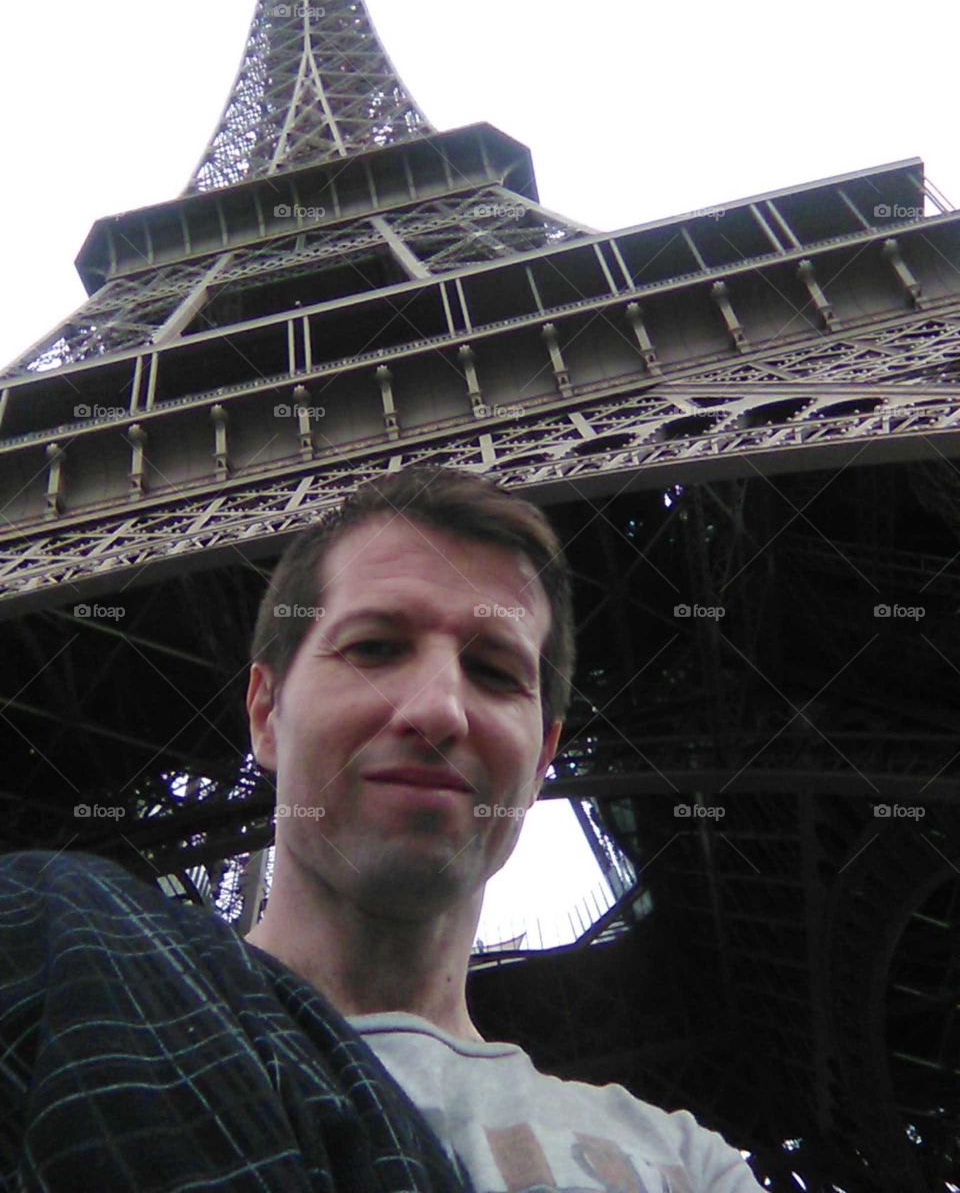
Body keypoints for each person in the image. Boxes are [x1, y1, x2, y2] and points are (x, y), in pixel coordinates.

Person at [0, 465, 763, 1192]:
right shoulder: (57, 947)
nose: (436, 710)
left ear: (541, 764)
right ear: (266, 714)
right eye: (374, 648)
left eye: (495, 671)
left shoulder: (692, 1164)